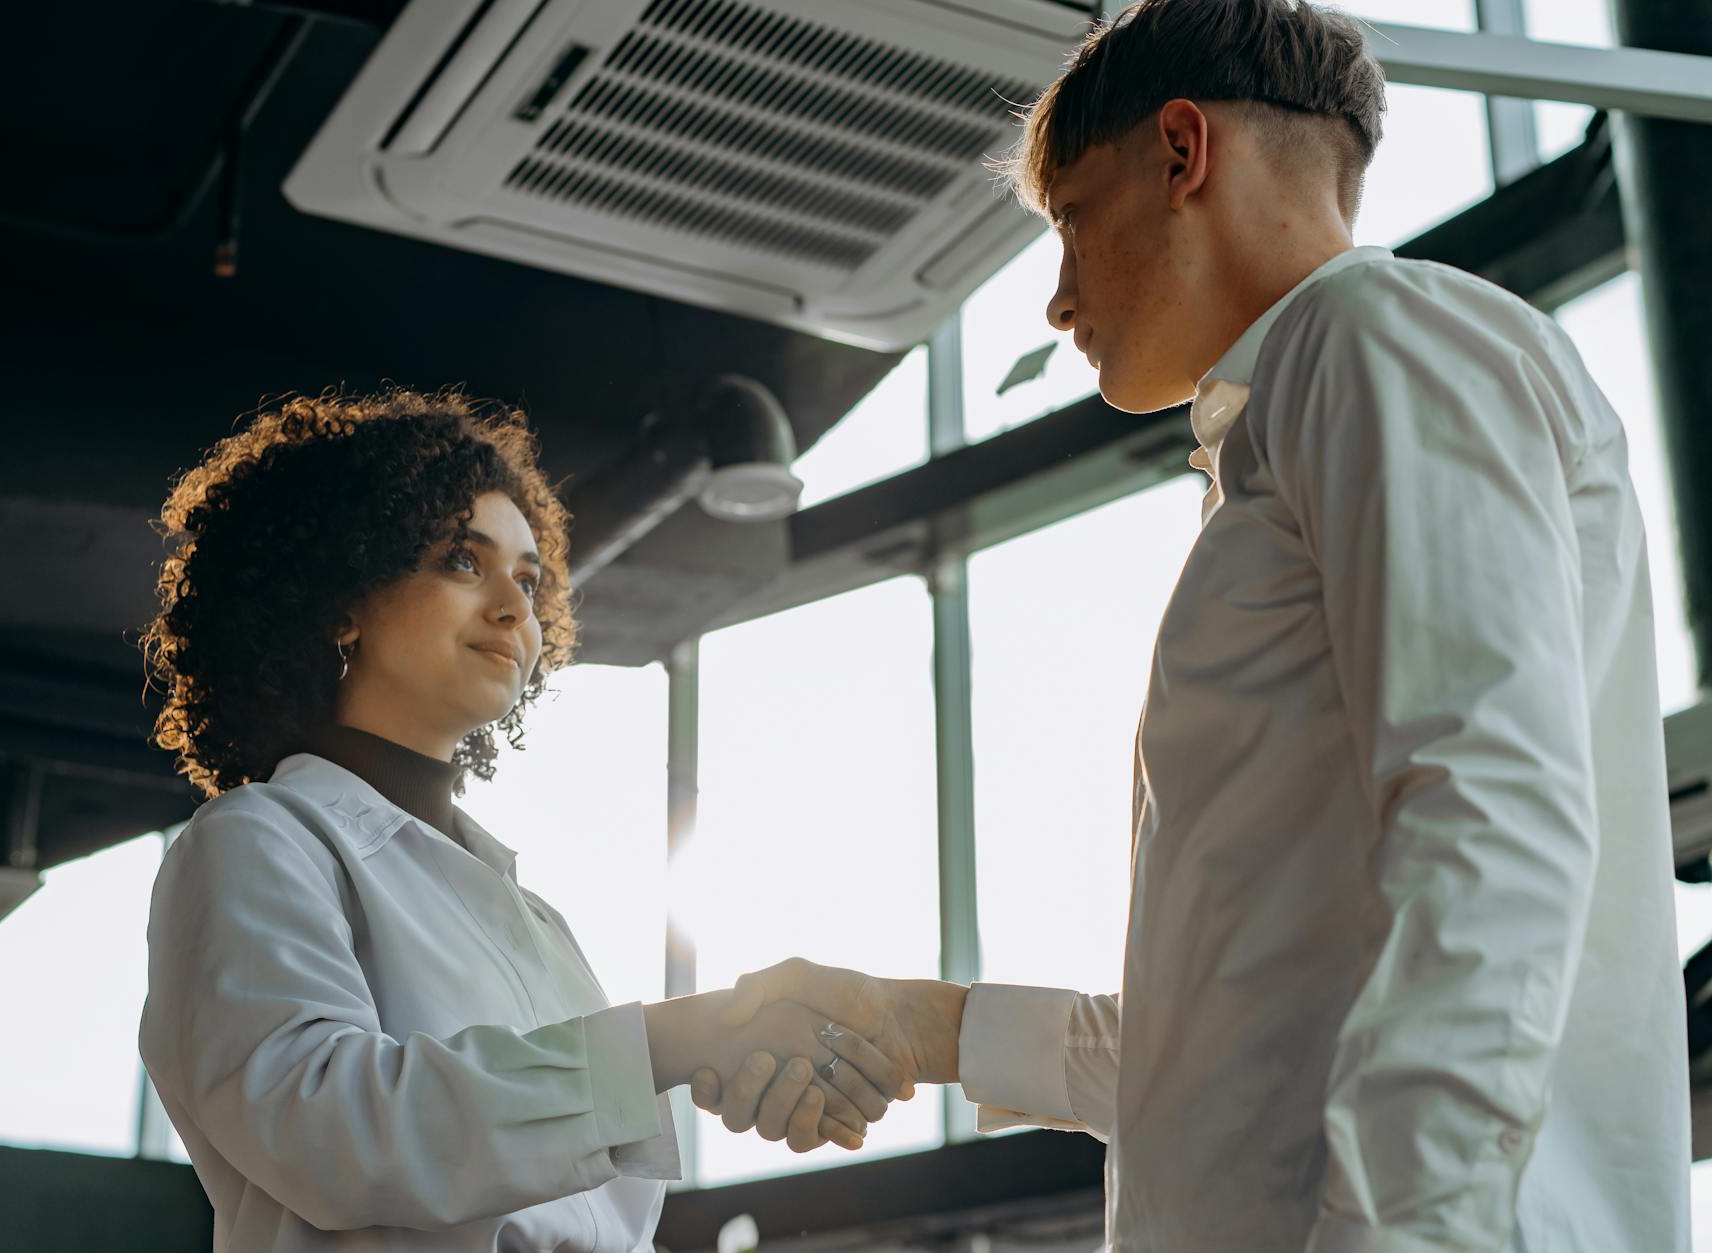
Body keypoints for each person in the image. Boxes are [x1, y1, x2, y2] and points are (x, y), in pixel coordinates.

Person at [693, 1, 1691, 1248]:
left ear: (1181, 152)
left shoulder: (1371, 333)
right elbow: (1240, 1044)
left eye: (1067, 221)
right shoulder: (1315, 397)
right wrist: (922, 1026)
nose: (1056, 301)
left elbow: (1486, 812)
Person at [136, 389, 903, 1253]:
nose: (514, 607)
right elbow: (331, 1131)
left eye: (530, 579)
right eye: (464, 561)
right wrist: (674, 1041)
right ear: (341, 597)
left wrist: (724, 1054)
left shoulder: (540, 925)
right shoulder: (255, 841)